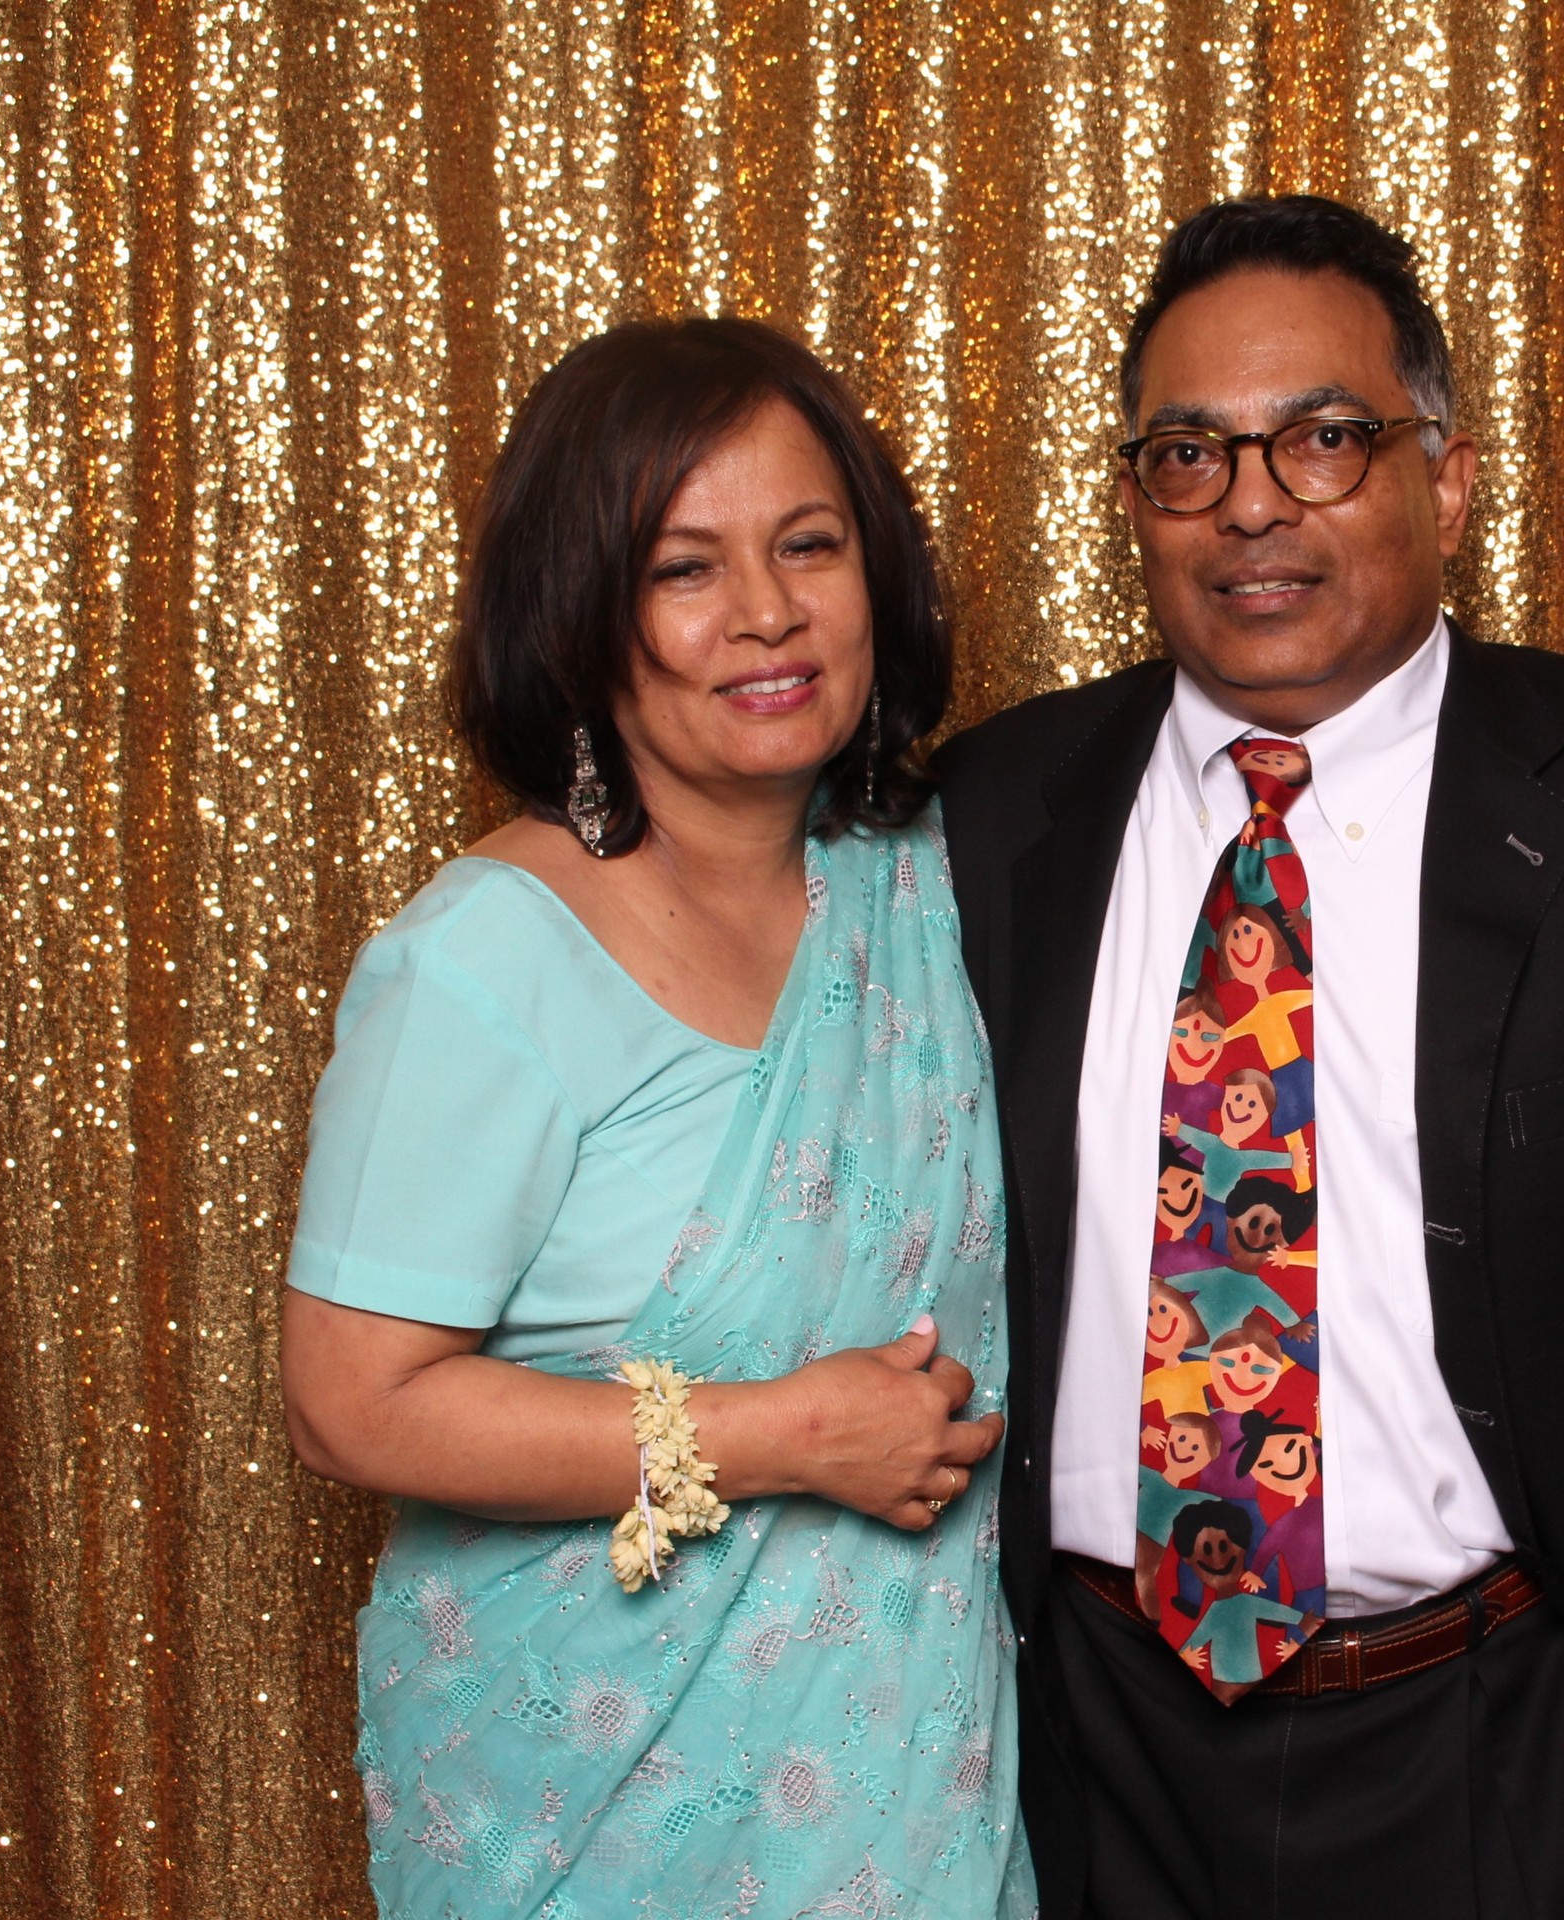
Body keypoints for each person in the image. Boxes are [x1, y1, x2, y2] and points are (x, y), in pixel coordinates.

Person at [931, 195, 1564, 1917]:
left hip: (1507, 1750)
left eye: (1323, 440)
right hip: (1089, 1754)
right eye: (1189, 455)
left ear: (1445, 482)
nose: (1252, 506)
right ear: (1137, 502)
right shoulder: (991, 814)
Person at [279, 317, 1030, 1918]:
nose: (767, 612)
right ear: (580, 616)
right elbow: (350, 1405)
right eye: (685, 568)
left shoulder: (931, 889)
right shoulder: (484, 959)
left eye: (809, 545)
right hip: (587, 1808)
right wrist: (785, 1436)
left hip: (904, 1803)